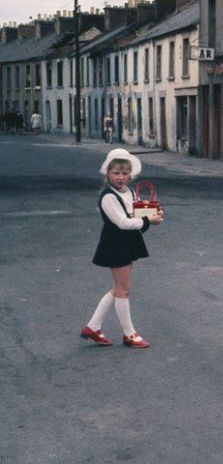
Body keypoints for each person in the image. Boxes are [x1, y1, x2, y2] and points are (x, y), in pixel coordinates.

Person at [81, 149, 164, 348]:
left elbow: (134, 213)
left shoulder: (128, 191)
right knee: (123, 290)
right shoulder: (108, 196)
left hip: (125, 243)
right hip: (115, 244)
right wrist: (147, 220)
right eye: (116, 173)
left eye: (125, 173)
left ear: (131, 174)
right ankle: (129, 334)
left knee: (118, 288)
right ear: (108, 173)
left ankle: (93, 327)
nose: (121, 177)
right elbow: (123, 223)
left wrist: (153, 214)